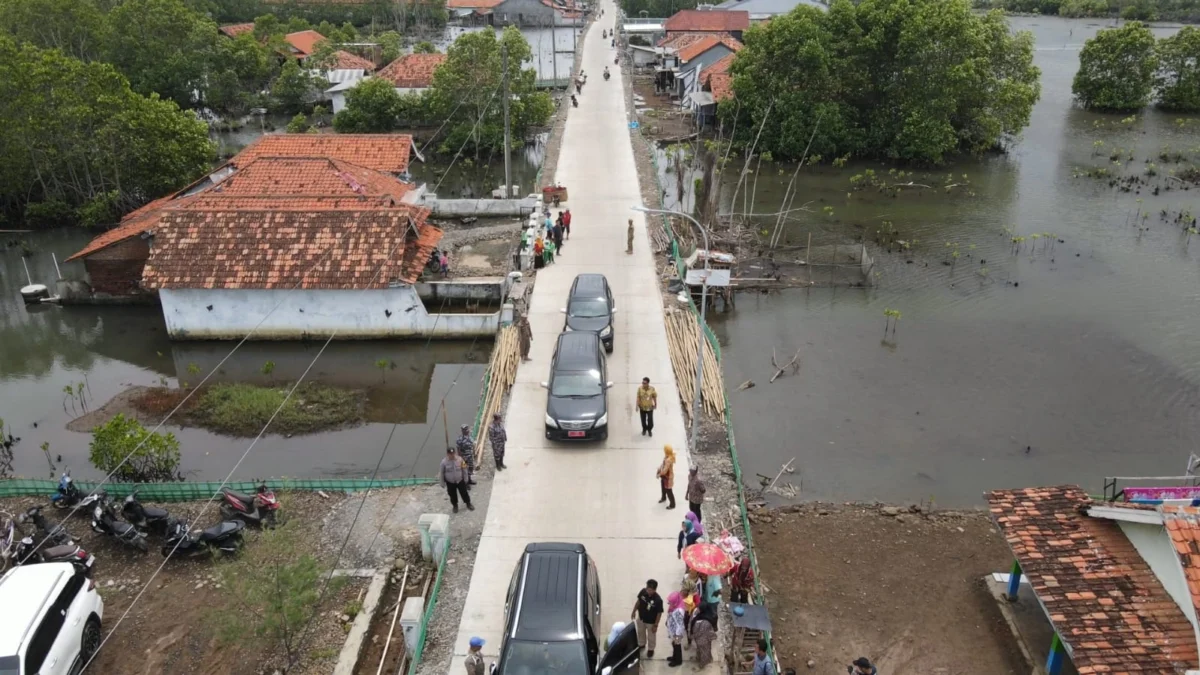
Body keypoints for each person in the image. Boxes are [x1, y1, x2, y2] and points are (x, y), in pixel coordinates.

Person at [631, 579, 663, 658]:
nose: (648, 591)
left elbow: (659, 613)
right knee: (640, 632)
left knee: (651, 636)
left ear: (655, 590)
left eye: (650, 590)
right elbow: (638, 601)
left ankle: (651, 649)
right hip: (641, 618)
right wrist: (634, 611)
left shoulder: (658, 600)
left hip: (651, 622)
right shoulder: (643, 592)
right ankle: (642, 644)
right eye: (647, 589)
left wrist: (656, 625)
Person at [440, 447, 473, 513]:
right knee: (452, 495)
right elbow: (441, 473)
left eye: (453, 453)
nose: (452, 455)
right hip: (450, 482)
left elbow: (464, 469)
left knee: (464, 493)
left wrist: (466, 478)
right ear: (447, 454)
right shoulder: (443, 462)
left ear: (455, 453)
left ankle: (468, 503)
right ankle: (455, 505)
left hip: (460, 480)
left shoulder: (460, 459)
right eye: (450, 454)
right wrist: (442, 482)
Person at [665, 592, 686, 667]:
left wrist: (677, 636)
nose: (669, 603)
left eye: (670, 602)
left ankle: (677, 660)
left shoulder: (679, 611)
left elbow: (680, 625)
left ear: (675, 602)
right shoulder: (675, 605)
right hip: (673, 630)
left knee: (677, 646)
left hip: (677, 633)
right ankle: (674, 657)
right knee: (674, 645)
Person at [656, 445, 676, 509]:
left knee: (668, 490)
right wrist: (659, 468)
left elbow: (665, 470)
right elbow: (662, 465)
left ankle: (672, 504)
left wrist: (659, 474)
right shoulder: (667, 457)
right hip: (664, 477)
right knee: (663, 487)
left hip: (668, 477)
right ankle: (663, 497)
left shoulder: (668, 460)